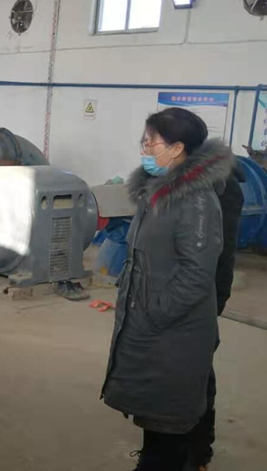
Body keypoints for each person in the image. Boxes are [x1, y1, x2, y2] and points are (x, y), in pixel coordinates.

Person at [101, 108, 234, 471]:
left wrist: (154, 312)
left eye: (151, 143)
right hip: (152, 322)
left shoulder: (195, 200)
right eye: (143, 142)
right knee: (155, 410)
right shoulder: (157, 190)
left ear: (177, 148)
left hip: (173, 328)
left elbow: (197, 272)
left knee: (170, 415)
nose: (144, 149)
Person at [184, 162, 245, 471]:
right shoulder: (171, 179)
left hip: (200, 296)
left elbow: (222, 250)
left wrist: (215, 299)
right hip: (171, 294)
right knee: (170, 371)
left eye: (153, 142)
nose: (148, 150)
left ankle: (197, 451)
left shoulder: (221, 186)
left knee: (196, 373)